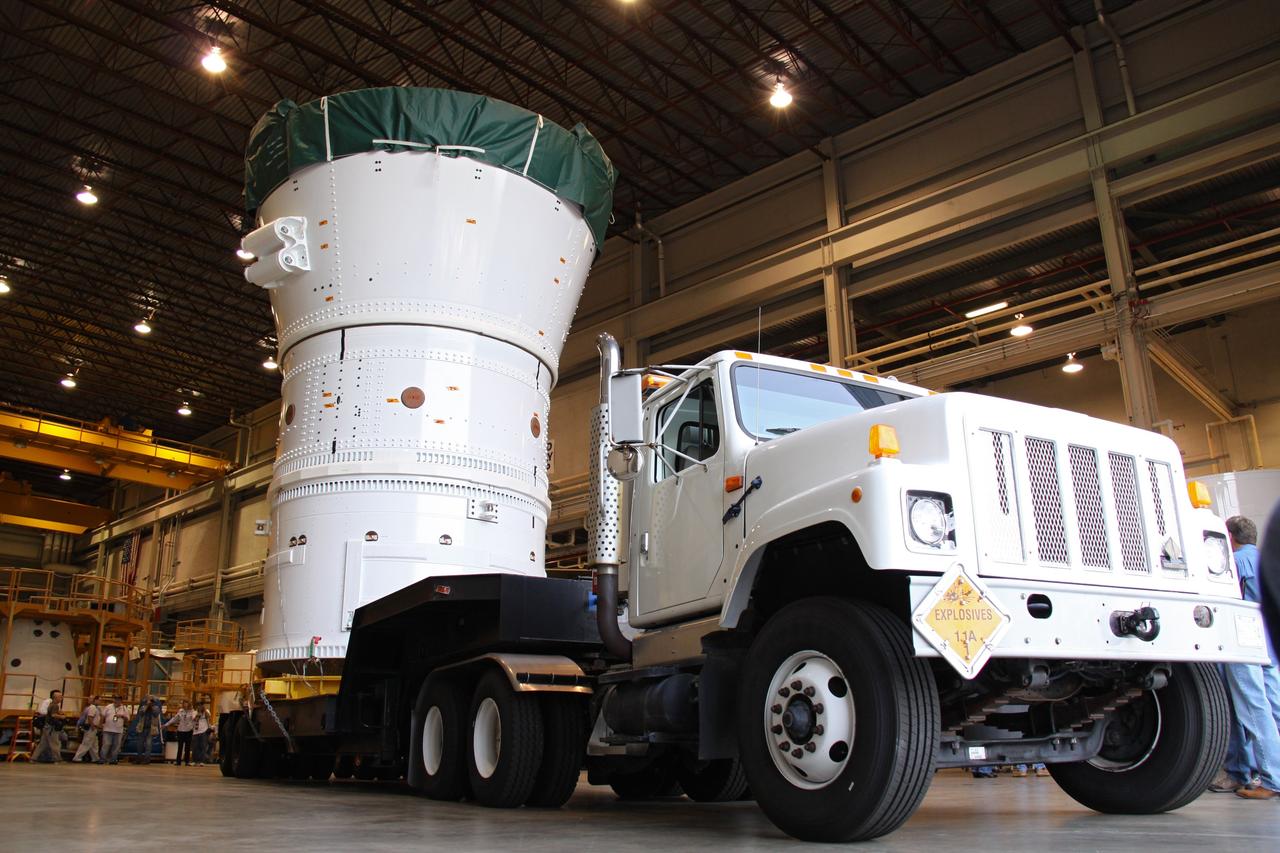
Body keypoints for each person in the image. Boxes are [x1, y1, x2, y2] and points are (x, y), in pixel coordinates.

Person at [1209, 516, 1280, 800]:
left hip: (1243, 637)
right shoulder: (1266, 560)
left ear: (1229, 537)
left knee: (1250, 707)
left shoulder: (1235, 563)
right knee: (1274, 707)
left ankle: (1268, 777)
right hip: (1269, 640)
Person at [33, 689, 66, 763]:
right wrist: (62, 717)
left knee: (42, 744)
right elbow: (53, 715)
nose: (61, 698)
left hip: (46, 727)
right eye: (60, 697)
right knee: (55, 744)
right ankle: (57, 759)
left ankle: (33, 758)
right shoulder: (55, 706)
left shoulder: (51, 704)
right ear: (55, 698)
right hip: (51, 728)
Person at [71, 695, 103, 764]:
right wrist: (92, 726)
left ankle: (95, 758)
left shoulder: (97, 708)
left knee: (94, 744)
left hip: (94, 728)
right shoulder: (92, 707)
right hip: (91, 728)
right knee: (86, 743)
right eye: (99, 700)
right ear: (95, 700)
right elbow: (90, 717)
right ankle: (77, 757)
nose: (100, 701)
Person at [165, 699, 196, 766]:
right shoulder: (180, 711)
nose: (184, 704)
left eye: (186, 703)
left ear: (189, 704)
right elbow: (174, 719)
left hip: (189, 731)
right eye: (184, 703)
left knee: (187, 747)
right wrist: (166, 724)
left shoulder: (193, 711)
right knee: (180, 746)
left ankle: (187, 761)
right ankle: (178, 761)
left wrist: (194, 721)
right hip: (181, 730)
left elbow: (194, 719)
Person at [133, 694, 162, 764]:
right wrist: (146, 706)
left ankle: (147, 760)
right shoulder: (143, 706)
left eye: (151, 700)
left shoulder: (156, 707)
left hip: (150, 729)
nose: (150, 701)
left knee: (148, 745)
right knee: (140, 744)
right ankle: (139, 759)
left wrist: (151, 706)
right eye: (149, 699)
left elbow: (156, 714)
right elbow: (141, 713)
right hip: (142, 728)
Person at [100, 696, 129, 764]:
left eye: (119, 700)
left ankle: (113, 760)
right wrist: (100, 724)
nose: (117, 701)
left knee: (116, 746)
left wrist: (122, 716)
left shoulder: (124, 708)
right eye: (116, 699)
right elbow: (103, 716)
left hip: (118, 730)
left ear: (121, 701)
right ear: (114, 700)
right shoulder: (108, 707)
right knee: (106, 745)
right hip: (107, 729)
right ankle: (102, 759)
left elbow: (127, 719)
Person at [191, 701, 212, 766]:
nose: (199, 707)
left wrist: (204, 711)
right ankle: (194, 761)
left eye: (201, 705)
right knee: (195, 747)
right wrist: (198, 714)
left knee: (203, 746)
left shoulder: (206, 711)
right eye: (198, 705)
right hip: (196, 731)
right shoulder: (194, 712)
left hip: (204, 731)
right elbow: (194, 719)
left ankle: (202, 761)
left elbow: (209, 717)